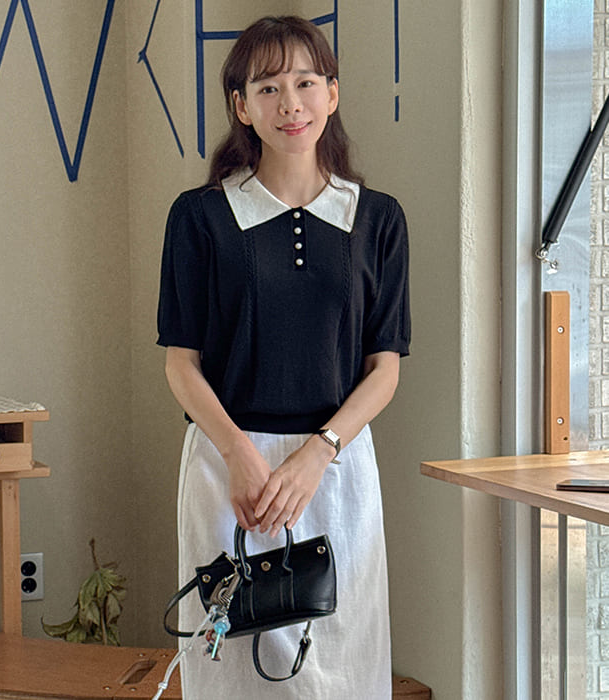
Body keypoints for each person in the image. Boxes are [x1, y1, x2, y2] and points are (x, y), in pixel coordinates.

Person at [157, 15, 410, 699]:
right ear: (241, 106)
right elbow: (181, 364)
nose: (289, 104)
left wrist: (317, 454)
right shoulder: (200, 217)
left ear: (332, 93)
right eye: (268, 88)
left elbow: (385, 368)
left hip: (337, 468)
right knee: (232, 674)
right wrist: (240, 454)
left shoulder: (378, 219)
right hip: (229, 473)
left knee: (341, 671)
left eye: (304, 83)